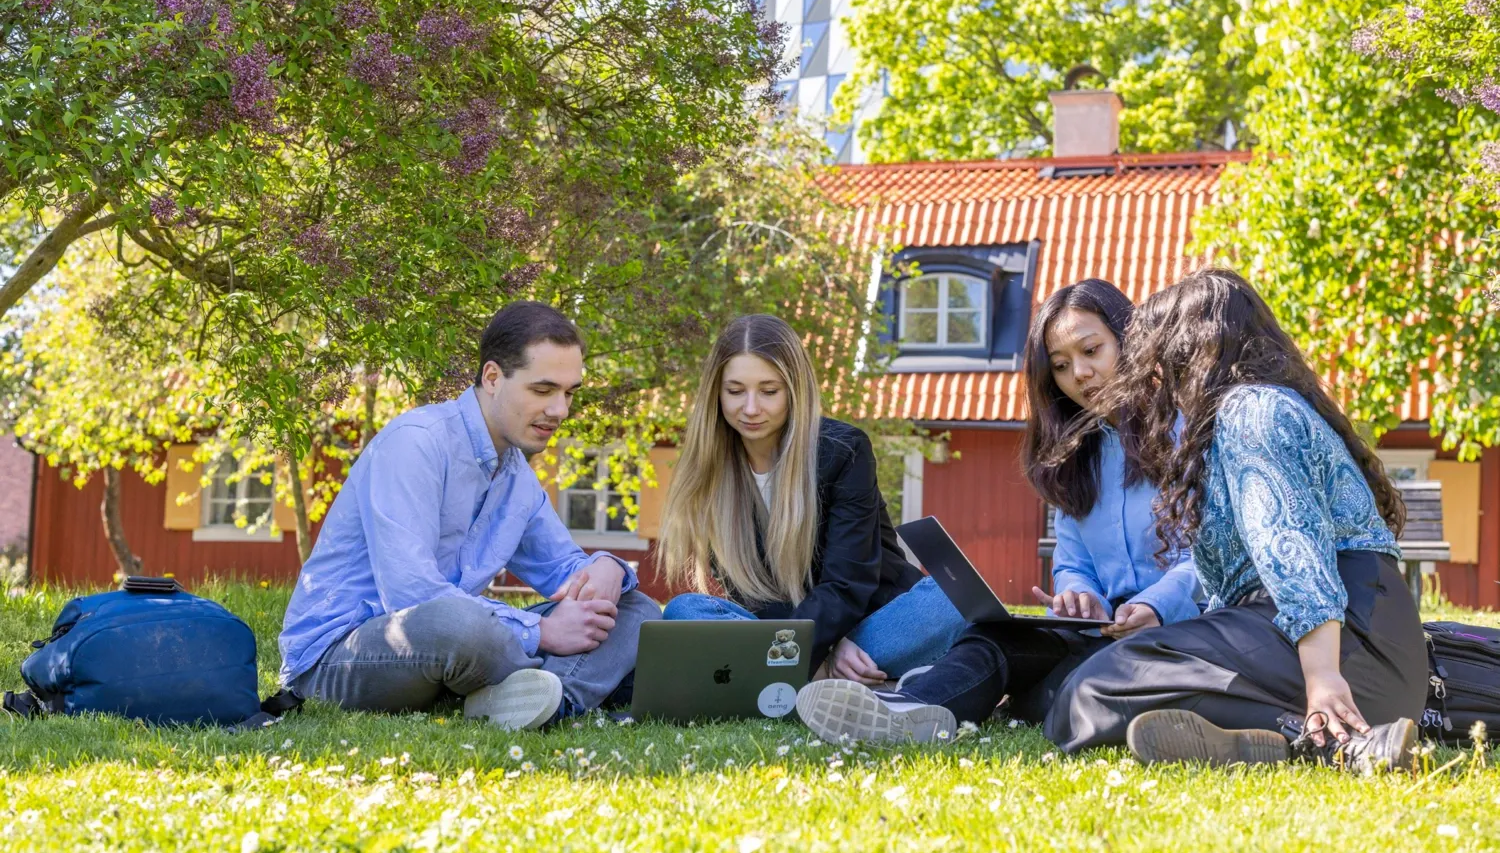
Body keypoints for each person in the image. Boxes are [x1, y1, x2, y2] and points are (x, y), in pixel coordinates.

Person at [1043, 268, 1425, 773]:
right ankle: (1276, 735)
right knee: (1085, 690)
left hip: (1348, 644)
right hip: (1336, 637)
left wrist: (1324, 678)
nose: (1150, 374)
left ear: (1191, 351)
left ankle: (1335, 739)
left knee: (1093, 688)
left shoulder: (1251, 412)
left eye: (1158, 356)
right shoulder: (1245, 411)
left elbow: (1295, 553)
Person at [795, 279, 1202, 745]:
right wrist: (1078, 596)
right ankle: (905, 711)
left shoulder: (1187, 437)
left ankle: (989, 695)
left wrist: (1155, 603)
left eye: (1092, 351)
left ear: (1129, 341)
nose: (1081, 375)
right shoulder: (1075, 456)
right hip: (1102, 634)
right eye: (1062, 366)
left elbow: (1216, 556)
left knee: (1054, 693)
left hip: (1184, 632)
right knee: (994, 639)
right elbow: (1072, 563)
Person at [278, 302, 659, 729]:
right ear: (493, 377)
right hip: (342, 654)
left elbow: (563, 570)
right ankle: (558, 685)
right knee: (457, 622)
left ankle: (552, 701)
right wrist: (541, 632)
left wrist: (604, 569)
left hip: (455, 649)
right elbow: (412, 596)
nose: (560, 411)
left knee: (634, 607)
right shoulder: (416, 443)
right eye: (543, 390)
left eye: (569, 393)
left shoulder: (514, 473)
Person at [655, 313, 966, 681]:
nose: (751, 408)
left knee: (949, 600)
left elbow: (848, 582)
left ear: (794, 390)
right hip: (785, 636)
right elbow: (752, 599)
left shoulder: (843, 451)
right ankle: (822, 676)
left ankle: (782, 675)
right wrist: (817, 649)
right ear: (716, 393)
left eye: (769, 391)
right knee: (684, 610)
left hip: (871, 623)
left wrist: (827, 644)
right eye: (735, 391)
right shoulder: (709, 472)